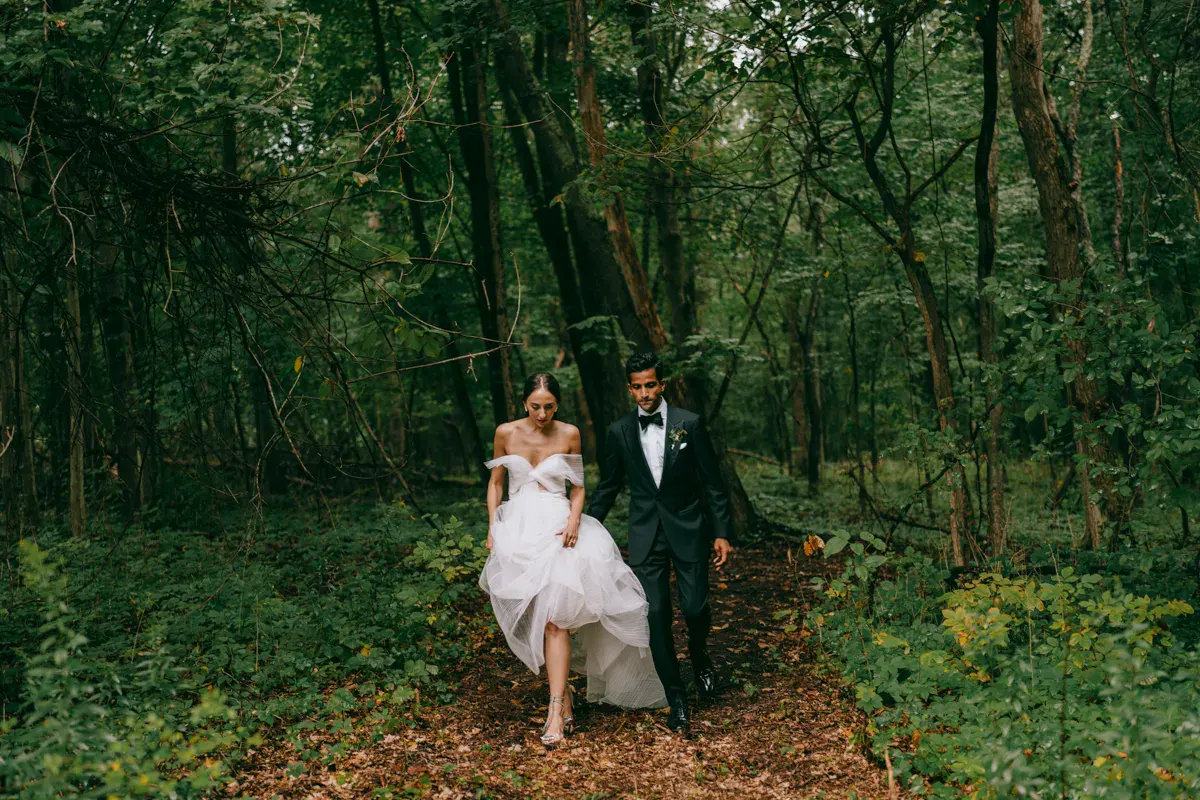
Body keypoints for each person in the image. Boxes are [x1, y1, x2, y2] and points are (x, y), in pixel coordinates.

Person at [479, 372, 666, 748]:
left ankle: (555, 710)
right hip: (517, 531)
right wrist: (492, 527)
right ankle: (562, 694)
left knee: (555, 620)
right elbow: (496, 483)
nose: (542, 414)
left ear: (558, 405)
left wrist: (574, 521)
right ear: (523, 403)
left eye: (549, 407)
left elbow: (579, 488)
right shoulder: (506, 432)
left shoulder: (569, 433)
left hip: (559, 531)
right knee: (536, 614)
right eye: (535, 406)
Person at [587, 352, 733, 734]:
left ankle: (699, 655)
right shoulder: (619, 431)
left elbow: (713, 484)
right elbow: (609, 486)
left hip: (688, 528)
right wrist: (583, 525)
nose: (644, 393)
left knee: (695, 607)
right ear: (630, 388)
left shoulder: (690, 424)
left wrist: (721, 532)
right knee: (655, 617)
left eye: (650, 385)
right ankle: (677, 698)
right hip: (645, 534)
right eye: (637, 386)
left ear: (662, 385)